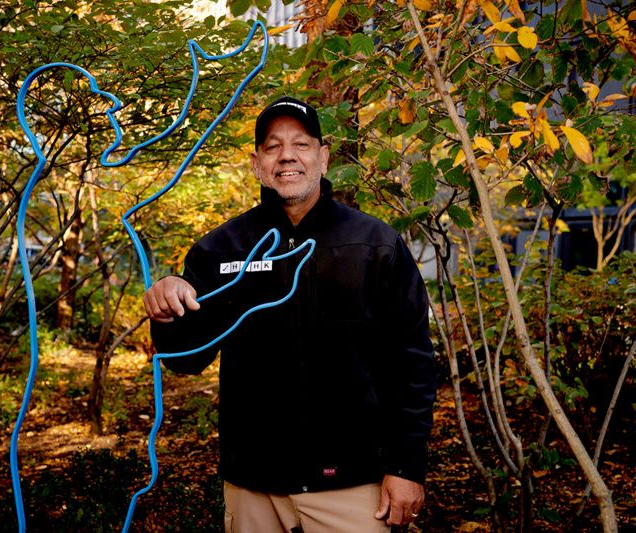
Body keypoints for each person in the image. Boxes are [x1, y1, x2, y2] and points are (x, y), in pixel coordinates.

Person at [144, 96, 436, 532]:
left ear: (323, 156)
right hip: (253, 487)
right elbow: (187, 359)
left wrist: (407, 466)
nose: (287, 156)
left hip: (354, 485)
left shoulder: (375, 245)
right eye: (272, 146)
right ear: (256, 163)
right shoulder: (221, 250)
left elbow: (412, 364)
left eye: (300, 144)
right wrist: (167, 308)